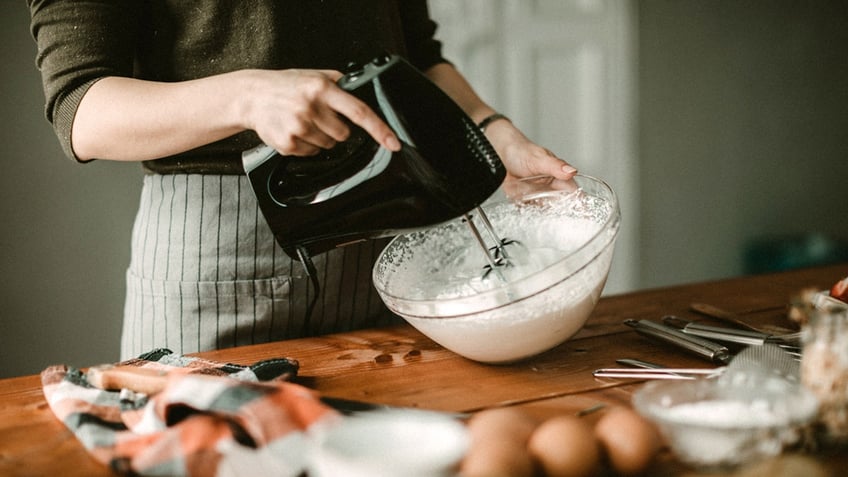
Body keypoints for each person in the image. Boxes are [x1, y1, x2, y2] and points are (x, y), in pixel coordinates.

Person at [28, 0, 577, 360]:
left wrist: (492, 131)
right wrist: (248, 96)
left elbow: (420, 55)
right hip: (216, 255)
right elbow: (81, 109)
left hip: (395, 240)